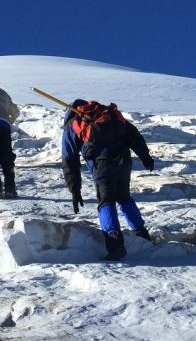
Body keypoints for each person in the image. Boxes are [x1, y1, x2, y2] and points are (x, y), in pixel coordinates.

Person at [61, 99, 154, 261]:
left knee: (106, 201)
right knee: (124, 197)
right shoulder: (108, 115)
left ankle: (115, 244)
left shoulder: (73, 125)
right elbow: (133, 134)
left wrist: (74, 190)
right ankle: (142, 234)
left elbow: (69, 159)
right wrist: (145, 156)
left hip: (102, 164)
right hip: (124, 160)